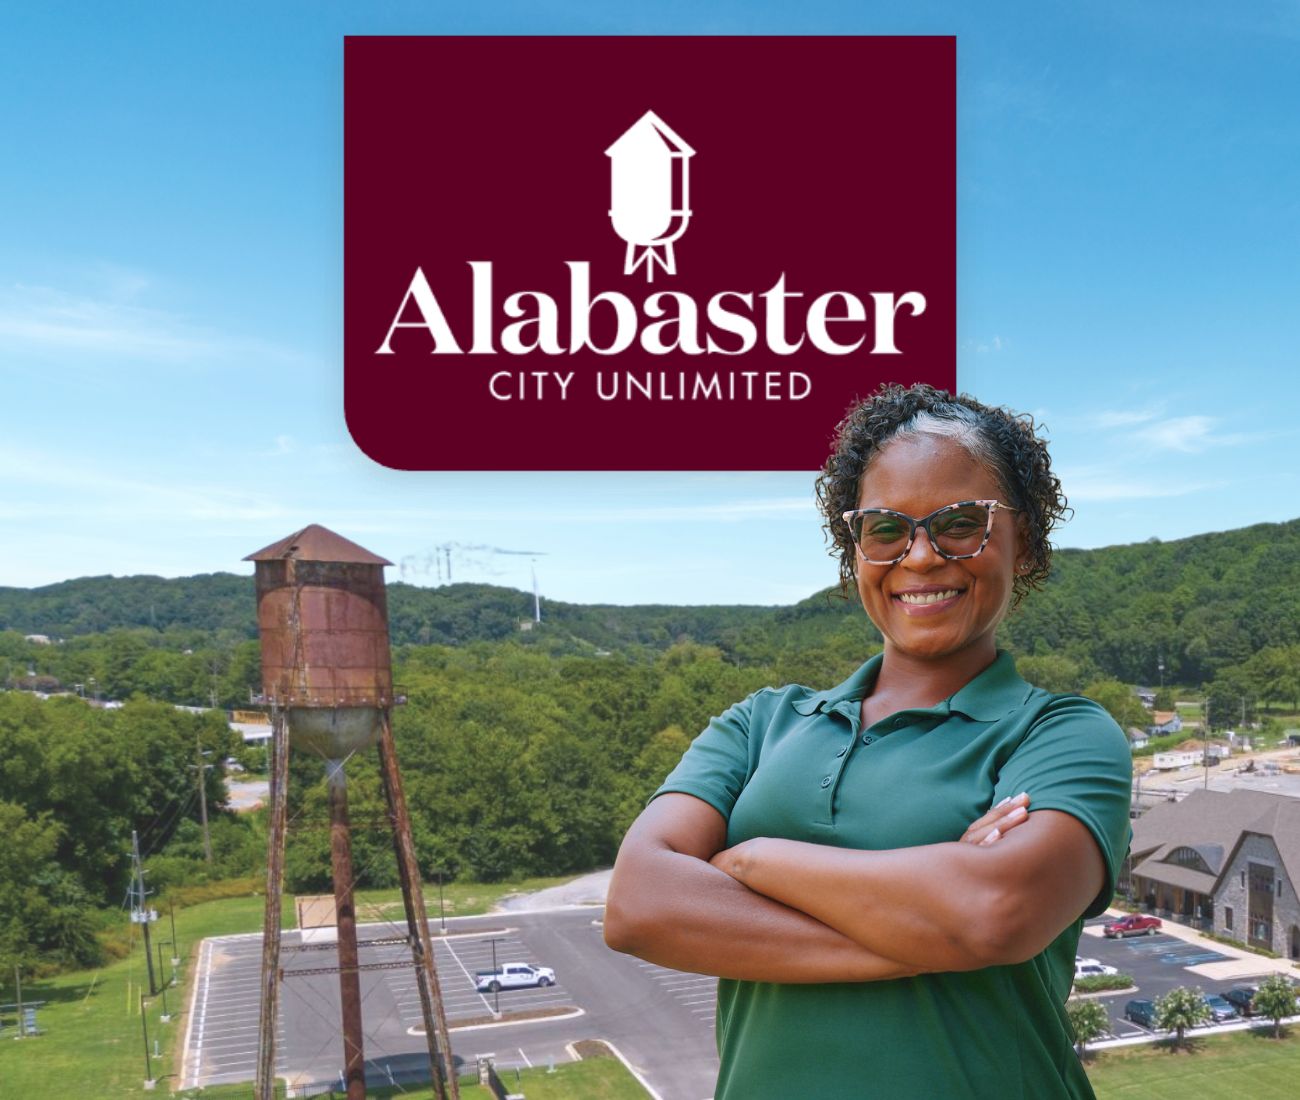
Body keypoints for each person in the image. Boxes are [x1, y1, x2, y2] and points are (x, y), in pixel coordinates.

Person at [604, 384, 1133, 1099]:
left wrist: (752, 859)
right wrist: (927, 934)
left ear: (1026, 543)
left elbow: (994, 912)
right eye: (885, 529)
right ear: (855, 549)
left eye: (960, 523)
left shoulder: (1062, 735)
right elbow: (639, 906)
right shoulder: (761, 723)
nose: (920, 556)